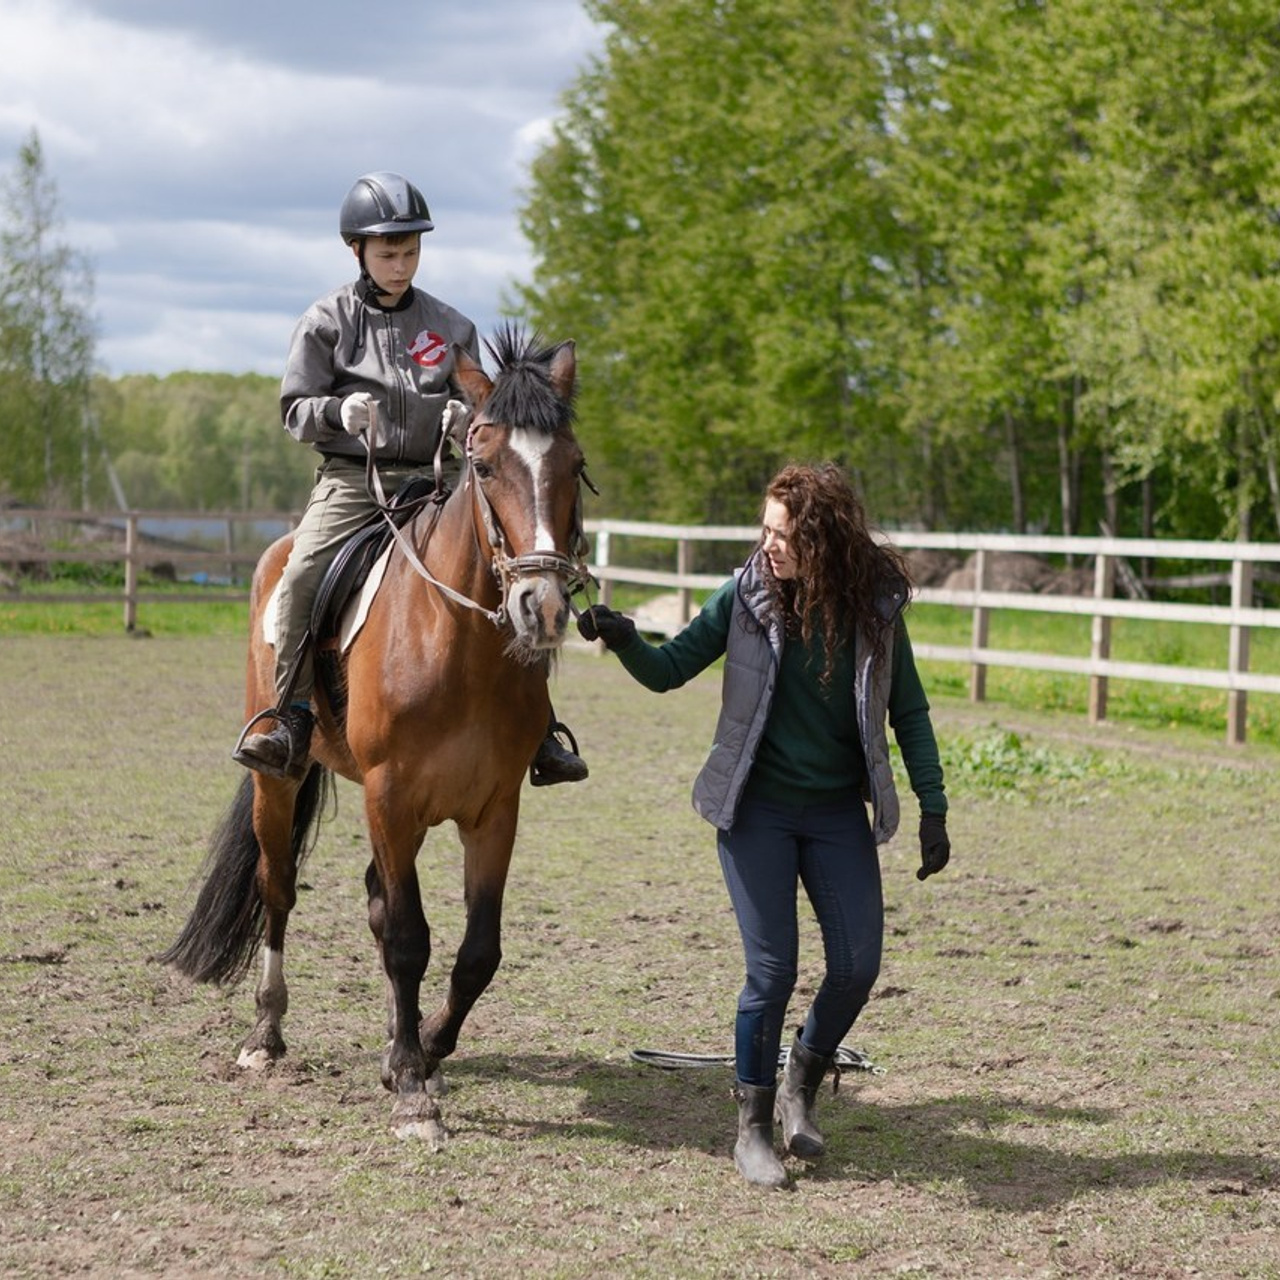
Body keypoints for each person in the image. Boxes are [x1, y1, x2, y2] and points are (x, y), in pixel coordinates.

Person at [578, 462, 951, 1188]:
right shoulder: (747, 595)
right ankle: (750, 1129)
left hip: (837, 811)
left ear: (823, 538)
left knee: (856, 967)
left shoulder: (874, 611)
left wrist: (932, 805)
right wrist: (625, 638)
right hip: (757, 810)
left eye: (783, 533)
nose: (768, 545)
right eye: (765, 530)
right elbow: (668, 670)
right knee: (773, 971)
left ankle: (800, 1086)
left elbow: (909, 711)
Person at [233, 171, 587, 787]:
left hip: (437, 482)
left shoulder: (450, 327)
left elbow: (491, 419)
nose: (401, 265)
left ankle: (539, 729)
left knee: (512, 568)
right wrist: (335, 413)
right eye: (389, 253)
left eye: (411, 251)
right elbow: (294, 410)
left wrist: (463, 422)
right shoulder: (326, 322)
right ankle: (288, 718)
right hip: (352, 485)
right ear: (358, 253)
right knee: (295, 581)